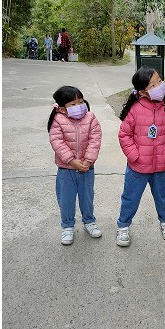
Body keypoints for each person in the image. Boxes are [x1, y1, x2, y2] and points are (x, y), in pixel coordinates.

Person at [115, 67, 165, 247]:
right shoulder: (135, 109)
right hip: (137, 168)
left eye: (159, 81)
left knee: (161, 197)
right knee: (130, 197)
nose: (160, 86)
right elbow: (124, 135)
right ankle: (123, 225)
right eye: (153, 85)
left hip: (160, 166)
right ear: (143, 91)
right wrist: (134, 155)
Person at [48, 86, 103, 245]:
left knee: (87, 198)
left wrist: (88, 160)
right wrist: (71, 161)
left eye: (81, 101)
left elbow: (95, 139)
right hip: (66, 170)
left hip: (86, 168)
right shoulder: (58, 120)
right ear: (62, 108)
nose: (78, 106)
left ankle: (89, 222)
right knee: (66, 199)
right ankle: (67, 226)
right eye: (73, 104)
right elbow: (57, 142)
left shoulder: (90, 117)